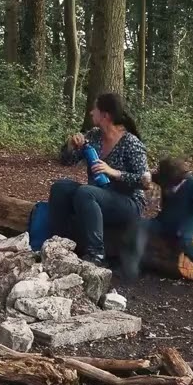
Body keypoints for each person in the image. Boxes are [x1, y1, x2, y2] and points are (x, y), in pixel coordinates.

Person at [48, 92, 150, 265]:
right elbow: (66, 161)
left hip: (128, 202)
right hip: (99, 195)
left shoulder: (130, 142)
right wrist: (71, 145)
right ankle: (60, 245)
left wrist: (114, 172)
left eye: (94, 109)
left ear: (105, 115)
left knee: (86, 192)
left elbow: (144, 181)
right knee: (60, 187)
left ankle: (96, 254)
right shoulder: (94, 136)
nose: (91, 113)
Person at [128, 157, 193, 295]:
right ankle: (132, 264)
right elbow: (147, 176)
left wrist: (186, 228)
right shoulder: (165, 177)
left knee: (184, 239)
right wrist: (145, 176)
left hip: (188, 221)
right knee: (139, 225)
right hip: (164, 221)